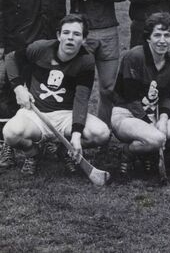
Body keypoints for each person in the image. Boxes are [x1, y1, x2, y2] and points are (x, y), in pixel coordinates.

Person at [0, 15, 110, 175]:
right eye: (66, 32)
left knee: (101, 133)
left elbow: (81, 99)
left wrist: (76, 135)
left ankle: (64, 149)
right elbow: (11, 58)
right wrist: (18, 88)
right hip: (36, 114)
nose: (70, 38)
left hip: (66, 115)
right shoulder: (40, 48)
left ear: (84, 39)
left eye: (76, 34)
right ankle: (33, 153)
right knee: (10, 133)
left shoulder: (86, 61)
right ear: (59, 35)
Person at [111, 13, 170, 177]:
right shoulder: (134, 56)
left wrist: (164, 119)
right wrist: (150, 124)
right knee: (157, 138)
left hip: (155, 113)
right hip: (127, 113)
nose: (162, 40)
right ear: (148, 37)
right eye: (157, 35)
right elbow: (131, 99)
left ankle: (149, 150)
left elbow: (167, 95)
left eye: (167, 35)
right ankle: (127, 152)